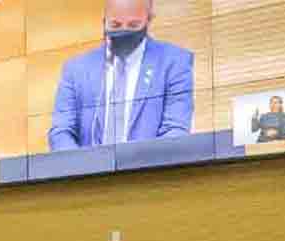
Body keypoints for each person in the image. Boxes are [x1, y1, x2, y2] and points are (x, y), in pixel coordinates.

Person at [48, 0, 194, 151]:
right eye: (115, 25)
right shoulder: (76, 70)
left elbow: (176, 130)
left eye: (133, 25)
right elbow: (61, 132)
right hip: (88, 172)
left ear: (149, 20)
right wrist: (81, 165)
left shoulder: (174, 62)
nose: (124, 31)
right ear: (104, 22)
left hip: (149, 172)